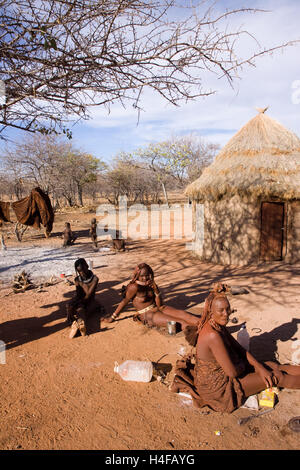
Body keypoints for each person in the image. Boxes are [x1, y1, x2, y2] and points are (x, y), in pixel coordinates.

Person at [171, 283, 300, 413]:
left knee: (271, 366)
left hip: (227, 372)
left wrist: (259, 367)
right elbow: (232, 372)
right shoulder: (212, 335)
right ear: (211, 312)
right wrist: (246, 365)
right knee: (276, 377)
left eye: (228, 309)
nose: (226, 314)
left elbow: (239, 348)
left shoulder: (217, 325)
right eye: (221, 310)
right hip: (219, 388)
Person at [103, 263, 199, 330]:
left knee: (185, 315)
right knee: (180, 322)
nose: (145, 278)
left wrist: (156, 291)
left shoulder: (151, 284)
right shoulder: (134, 287)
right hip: (147, 314)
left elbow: (160, 305)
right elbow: (124, 301)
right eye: (142, 276)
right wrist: (113, 317)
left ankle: (208, 324)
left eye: (147, 275)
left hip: (158, 308)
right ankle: (203, 334)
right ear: (138, 276)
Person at [66, 258, 100, 338]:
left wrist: (79, 303)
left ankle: (79, 325)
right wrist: (73, 303)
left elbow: (88, 295)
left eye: (83, 270)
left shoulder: (95, 279)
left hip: (89, 301)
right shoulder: (77, 279)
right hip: (81, 300)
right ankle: (73, 323)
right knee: (69, 306)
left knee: (81, 311)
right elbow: (78, 294)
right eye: (79, 271)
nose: (82, 273)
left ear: (87, 266)